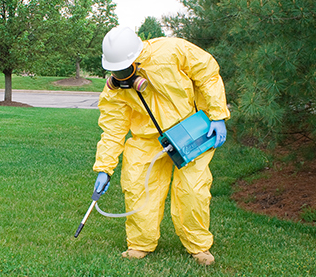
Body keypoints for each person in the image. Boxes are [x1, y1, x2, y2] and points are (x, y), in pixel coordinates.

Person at [92, 27, 230, 265]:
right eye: (116, 71)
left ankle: (198, 247)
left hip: (189, 132)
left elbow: (207, 74)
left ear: (135, 59)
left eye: (125, 69)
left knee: (193, 190)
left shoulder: (172, 51)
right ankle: (139, 244)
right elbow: (113, 128)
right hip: (147, 140)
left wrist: (217, 115)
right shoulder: (115, 90)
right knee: (137, 187)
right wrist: (105, 167)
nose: (122, 77)